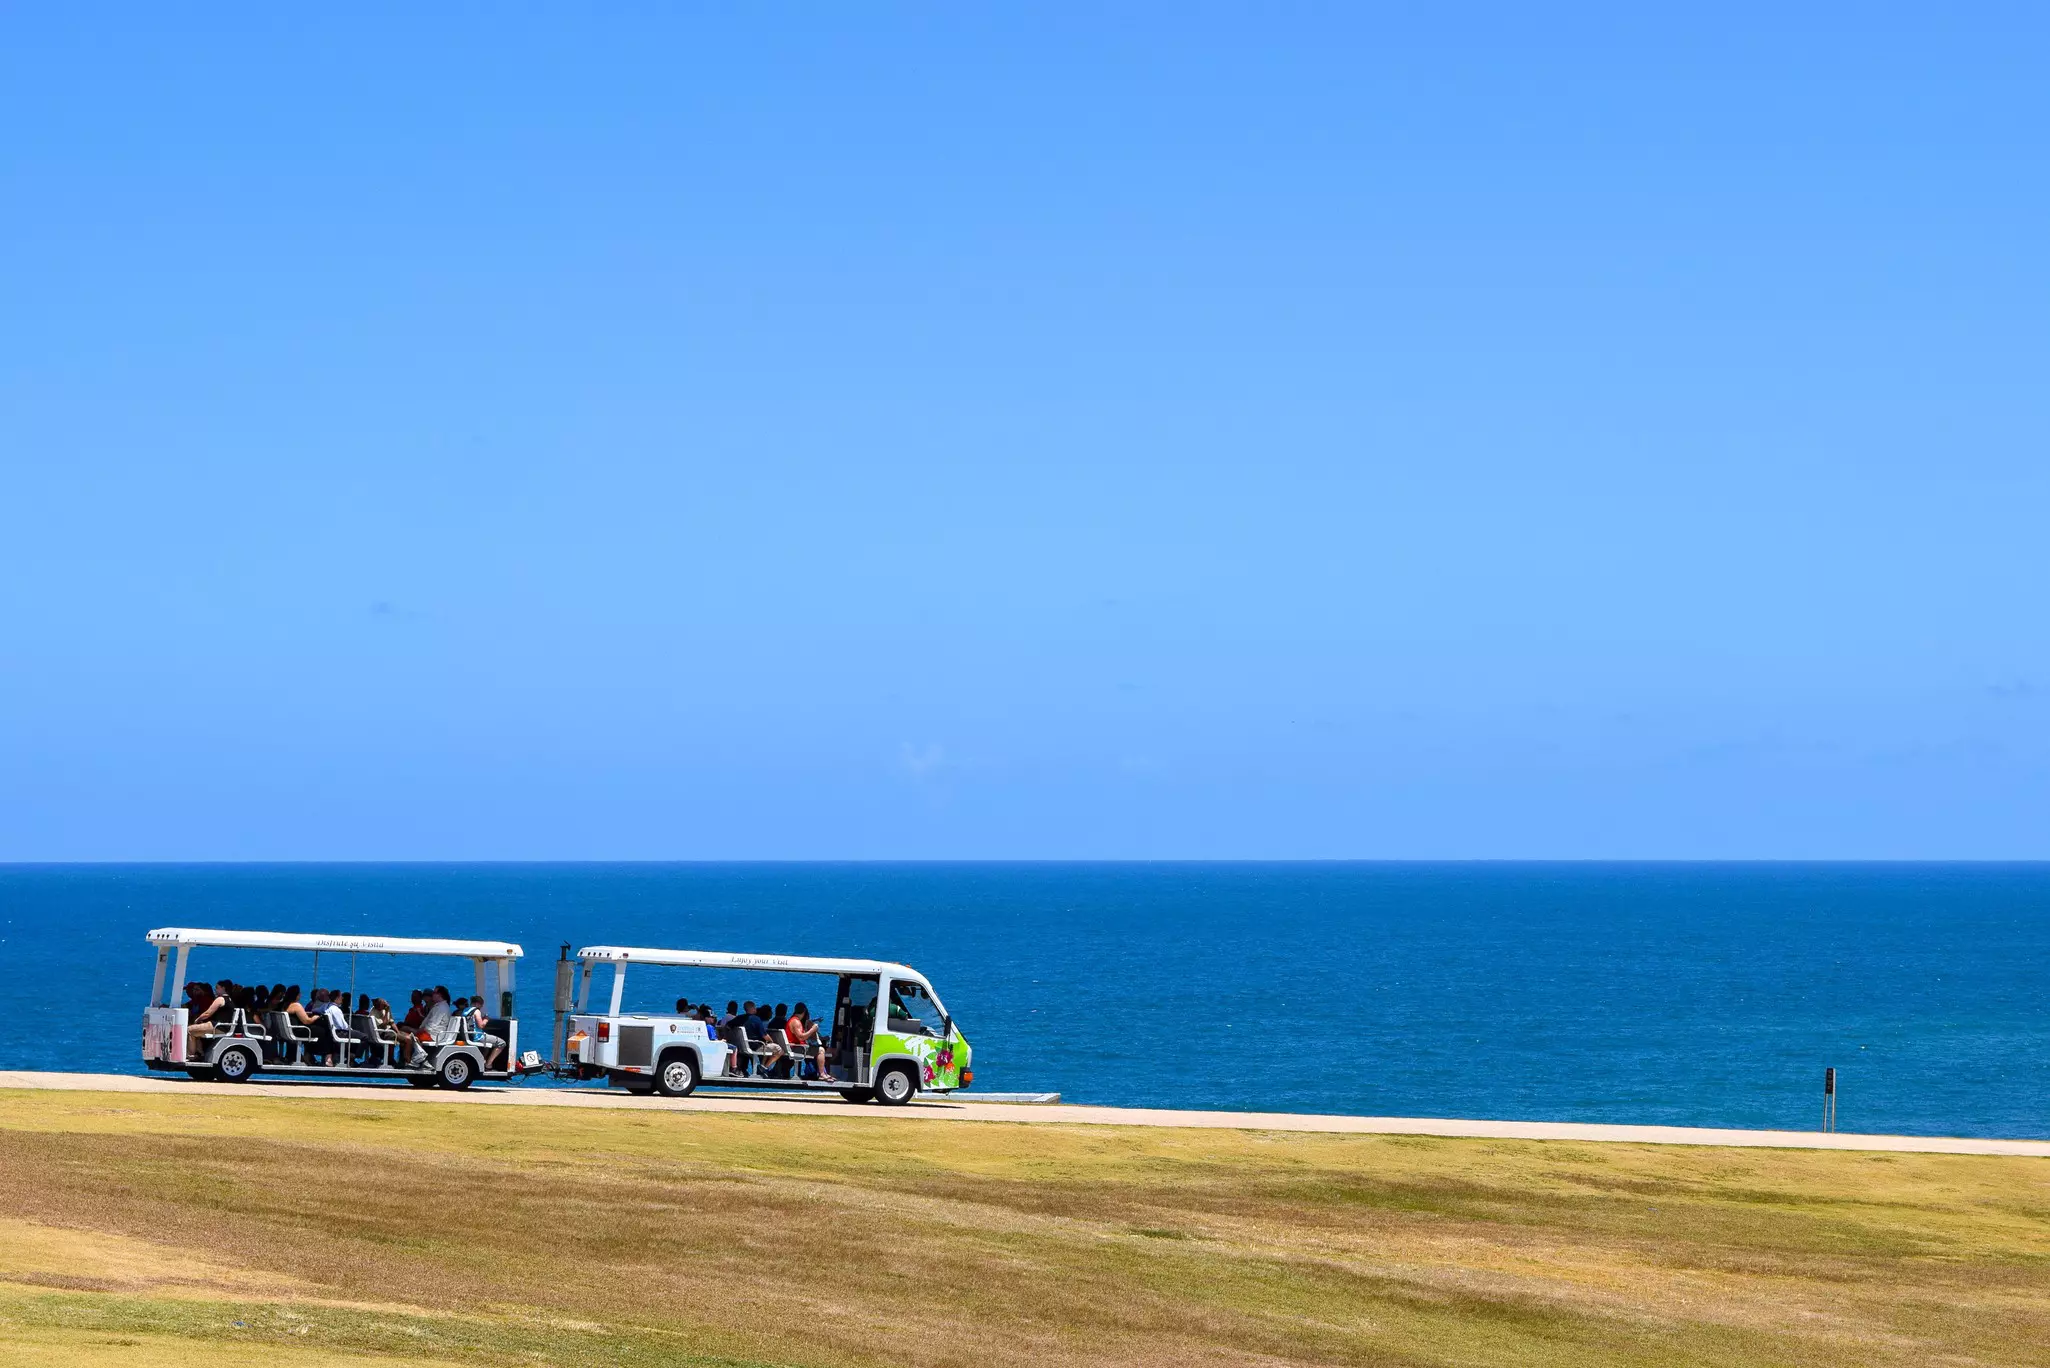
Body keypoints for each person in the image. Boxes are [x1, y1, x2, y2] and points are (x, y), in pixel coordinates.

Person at [786, 1002, 836, 1083]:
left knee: (818, 1049)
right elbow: (801, 1037)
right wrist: (812, 1030)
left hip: (795, 1047)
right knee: (821, 1050)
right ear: (804, 1011)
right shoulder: (796, 1022)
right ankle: (822, 1074)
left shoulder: (792, 1020)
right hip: (798, 1048)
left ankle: (822, 1073)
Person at [411, 986, 453, 1067]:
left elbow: (431, 1026)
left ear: (439, 995)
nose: (432, 994)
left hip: (433, 1035)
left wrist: (419, 1031)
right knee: (410, 1034)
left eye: (434, 993)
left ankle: (420, 1057)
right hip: (431, 1033)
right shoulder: (439, 1006)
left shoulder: (442, 1008)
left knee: (409, 1037)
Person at [463, 997, 505, 1071]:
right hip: (477, 1037)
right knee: (501, 1043)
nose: (481, 1007)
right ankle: (488, 1065)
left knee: (488, 1045)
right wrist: (486, 1019)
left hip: (469, 1036)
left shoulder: (465, 1010)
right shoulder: (476, 1011)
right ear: (477, 1004)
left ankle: (483, 1061)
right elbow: (481, 1025)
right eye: (481, 1005)